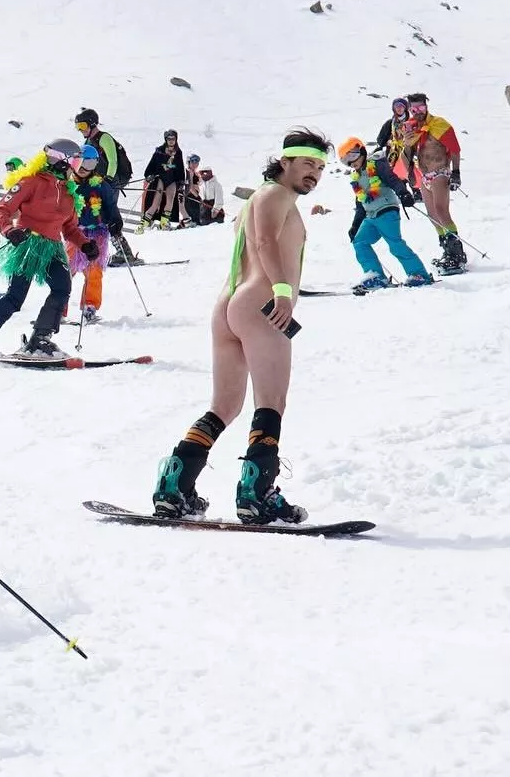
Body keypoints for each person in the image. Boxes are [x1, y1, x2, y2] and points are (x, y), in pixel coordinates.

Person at [150, 129, 329, 526]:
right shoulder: (275, 195)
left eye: (320, 166)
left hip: (230, 305)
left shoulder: (258, 200)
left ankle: (176, 484)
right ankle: (258, 494)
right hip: (262, 304)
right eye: (307, 164)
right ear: (285, 162)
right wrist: (283, 291)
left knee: (224, 406)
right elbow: (265, 243)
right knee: (271, 402)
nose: (314, 173)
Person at [0, 140, 95, 359]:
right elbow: (1, 209)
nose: (77, 166)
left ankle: (40, 339)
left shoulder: (70, 193)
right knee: (16, 296)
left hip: (52, 248)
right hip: (27, 244)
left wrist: (85, 244)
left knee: (62, 287)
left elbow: (69, 228)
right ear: (62, 160)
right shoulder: (32, 182)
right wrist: (9, 230)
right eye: (75, 160)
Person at [336, 137, 431, 290]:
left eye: (352, 156)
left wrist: (403, 193)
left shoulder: (377, 164)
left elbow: (392, 179)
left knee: (395, 244)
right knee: (359, 242)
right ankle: (375, 276)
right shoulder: (357, 178)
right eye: (346, 160)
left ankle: (419, 275)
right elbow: (360, 205)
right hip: (371, 216)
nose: (351, 162)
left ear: (361, 151)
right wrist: (355, 226)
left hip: (387, 211)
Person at [401, 93, 467, 273]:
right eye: (414, 109)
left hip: (440, 172)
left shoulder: (439, 124)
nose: (418, 112)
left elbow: (454, 148)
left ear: (426, 106)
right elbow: (406, 155)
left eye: (421, 107)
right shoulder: (412, 129)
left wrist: (456, 172)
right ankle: (447, 250)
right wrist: (407, 145)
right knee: (432, 215)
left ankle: (457, 253)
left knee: (441, 210)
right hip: (424, 175)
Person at [65, 146, 123, 325]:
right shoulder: (67, 183)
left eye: (89, 163)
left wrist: (115, 222)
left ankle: (89, 306)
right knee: (68, 269)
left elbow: (111, 205)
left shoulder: (100, 184)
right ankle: (58, 308)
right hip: (75, 232)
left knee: (94, 270)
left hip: (97, 232)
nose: (84, 167)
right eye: (81, 162)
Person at [75, 108, 139, 264]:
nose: (80, 130)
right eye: (78, 127)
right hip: (96, 184)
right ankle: (97, 249)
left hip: (109, 183)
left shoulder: (104, 138)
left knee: (108, 215)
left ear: (92, 124)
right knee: (95, 216)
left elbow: (113, 160)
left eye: (82, 126)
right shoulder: (88, 142)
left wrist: (109, 180)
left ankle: (124, 253)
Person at [139, 130, 186, 231]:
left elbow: (181, 167)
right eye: (169, 139)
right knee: (155, 203)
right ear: (166, 139)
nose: (171, 141)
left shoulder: (178, 152)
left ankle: (164, 224)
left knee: (170, 201)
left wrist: (181, 181)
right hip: (160, 178)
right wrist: (149, 175)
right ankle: (142, 226)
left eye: (173, 139)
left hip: (172, 179)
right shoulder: (159, 151)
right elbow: (151, 164)